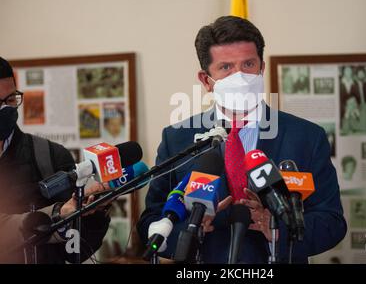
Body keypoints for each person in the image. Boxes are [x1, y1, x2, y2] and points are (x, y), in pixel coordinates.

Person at [137, 16, 347, 264]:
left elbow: (332, 222)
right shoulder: (177, 138)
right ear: (206, 80)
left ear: (262, 68)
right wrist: (190, 231)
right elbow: (151, 221)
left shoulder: (307, 137)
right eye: (226, 68)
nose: (241, 77)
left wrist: (277, 227)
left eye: (248, 64)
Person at [0, 57, 110, 263]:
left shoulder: (50, 156)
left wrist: (92, 214)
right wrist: (58, 214)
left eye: (11, 99)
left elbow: (75, 251)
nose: (6, 110)